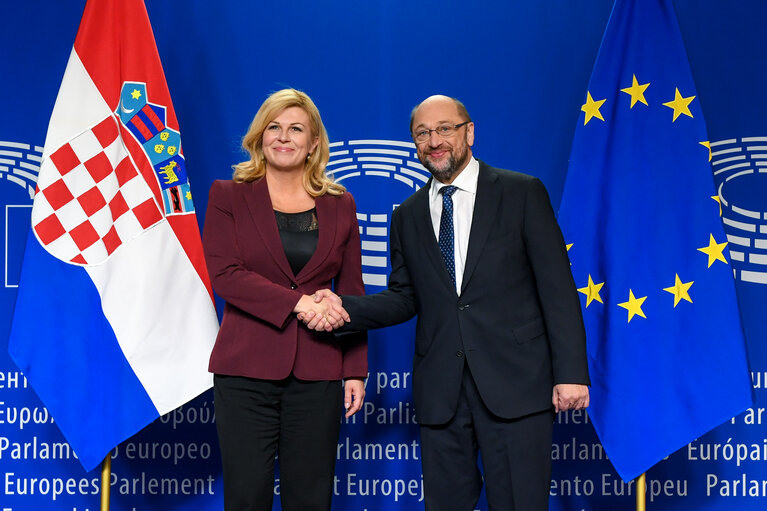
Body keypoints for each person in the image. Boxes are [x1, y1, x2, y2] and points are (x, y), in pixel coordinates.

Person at [305, 95, 589, 510]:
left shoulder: (521, 192)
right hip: (442, 394)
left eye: (444, 129)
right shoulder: (408, 215)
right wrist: (343, 308)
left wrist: (571, 373)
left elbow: (558, 289)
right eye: (422, 133)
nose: (434, 140)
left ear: (468, 132)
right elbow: (404, 297)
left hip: (516, 385)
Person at [202, 88, 367, 511]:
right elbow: (226, 275)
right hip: (245, 374)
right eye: (273, 127)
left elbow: (351, 292)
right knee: (247, 496)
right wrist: (298, 304)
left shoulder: (340, 204)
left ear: (314, 143)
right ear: (259, 137)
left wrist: (354, 370)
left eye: (296, 128)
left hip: (318, 372)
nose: (283, 136)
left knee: (311, 499)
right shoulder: (228, 196)